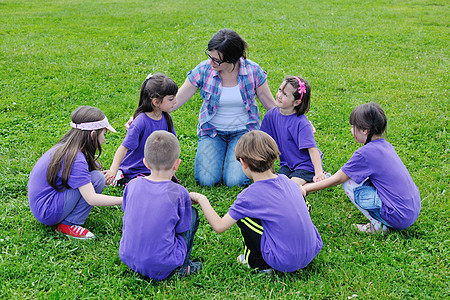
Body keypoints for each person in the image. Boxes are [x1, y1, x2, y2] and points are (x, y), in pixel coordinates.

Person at [190, 131, 322, 274]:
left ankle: (258, 263)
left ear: (243, 163)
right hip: (312, 251)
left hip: (285, 261)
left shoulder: (248, 197)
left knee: (244, 216)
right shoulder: (287, 181)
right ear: (274, 157)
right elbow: (301, 192)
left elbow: (219, 226)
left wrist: (201, 199)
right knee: (297, 203)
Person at [172, 29, 276, 187]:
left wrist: (298, 119)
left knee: (235, 181)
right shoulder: (203, 70)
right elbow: (175, 101)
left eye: (217, 61)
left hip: (244, 133)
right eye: (210, 56)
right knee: (206, 180)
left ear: (233, 59)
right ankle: (223, 156)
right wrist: (143, 113)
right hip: (212, 132)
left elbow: (271, 106)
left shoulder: (253, 71)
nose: (211, 63)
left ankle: (229, 158)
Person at [301, 103, 421, 234]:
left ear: (365, 130)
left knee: (348, 182)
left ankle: (377, 226)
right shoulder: (386, 146)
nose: (351, 130)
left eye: (353, 126)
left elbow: (339, 179)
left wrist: (305, 188)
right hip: (411, 211)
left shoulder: (364, 154)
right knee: (357, 177)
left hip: (398, 217)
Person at [28, 106, 122, 239]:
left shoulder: (67, 148)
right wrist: (126, 200)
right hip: (48, 211)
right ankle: (69, 224)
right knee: (97, 179)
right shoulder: (76, 159)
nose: (104, 140)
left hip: (41, 205)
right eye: (104, 134)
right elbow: (92, 198)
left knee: (97, 177)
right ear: (93, 134)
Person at [119, 131, 201, 281]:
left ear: (145, 162)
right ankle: (183, 266)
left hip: (127, 256)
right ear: (177, 164)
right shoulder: (179, 192)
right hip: (163, 264)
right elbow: (182, 228)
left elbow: (127, 211)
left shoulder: (132, 184)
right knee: (193, 214)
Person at [105, 73, 178, 186]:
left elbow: (172, 144)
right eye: (171, 99)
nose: (175, 102)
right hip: (136, 169)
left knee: (171, 183)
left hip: (156, 167)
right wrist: (113, 170)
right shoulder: (140, 121)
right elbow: (123, 148)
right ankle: (122, 180)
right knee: (143, 184)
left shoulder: (167, 118)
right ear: (156, 102)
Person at [261, 76, 327, 187]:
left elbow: (312, 150)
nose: (279, 95)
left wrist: (318, 172)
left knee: (290, 187)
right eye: (280, 90)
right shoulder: (271, 115)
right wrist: (270, 168)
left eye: (285, 94)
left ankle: (321, 178)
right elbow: (266, 143)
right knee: (277, 184)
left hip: (305, 165)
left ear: (296, 102)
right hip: (287, 164)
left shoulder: (301, 123)